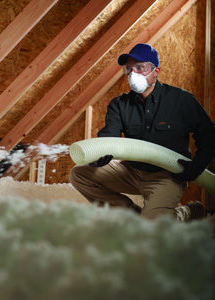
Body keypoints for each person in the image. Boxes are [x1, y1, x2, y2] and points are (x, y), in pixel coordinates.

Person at [69, 43, 215, 221]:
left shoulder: (181, 100)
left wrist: (197, 167)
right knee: (79, 174)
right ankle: (134, 217)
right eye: (129, 68)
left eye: (140, 68)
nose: (133, 74)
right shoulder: (119, 104)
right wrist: (101, 153)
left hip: (166, 176)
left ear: (156, 71)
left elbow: (209, 135)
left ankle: (187, 213)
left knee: (154, 231)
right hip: (131, 171)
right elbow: (110, 136)